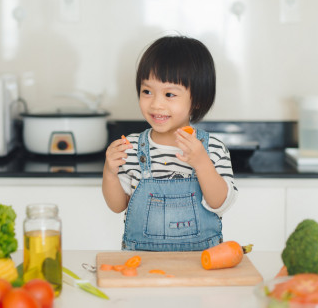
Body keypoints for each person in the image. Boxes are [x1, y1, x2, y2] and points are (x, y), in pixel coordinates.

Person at [102, 35, 238, 251]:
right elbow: (118, 206)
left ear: (198, 100)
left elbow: (220, 203)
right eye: (147, 91)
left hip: (200, 265)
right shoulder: (132, 147)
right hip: (142, 265)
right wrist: (109, 172)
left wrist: (202, 163)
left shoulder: (213, 149)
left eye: (169, 94)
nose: (156, 104)